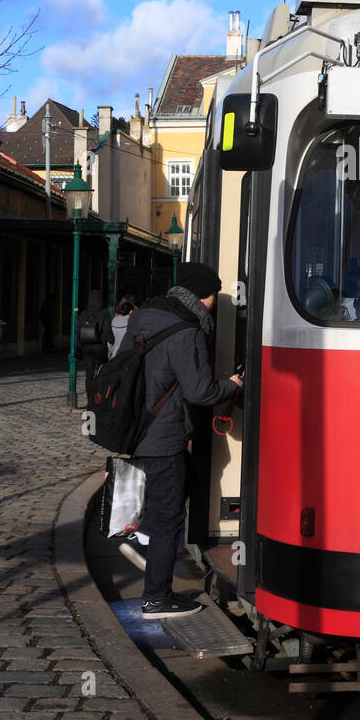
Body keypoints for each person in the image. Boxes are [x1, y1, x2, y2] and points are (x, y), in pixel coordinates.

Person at [121, 262, 241, 620]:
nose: (212, 305)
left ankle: (143, 538)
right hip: (164, 434)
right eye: (213, 297)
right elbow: (200, 391)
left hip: (139, 426)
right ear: (204, 295)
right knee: (171, 515)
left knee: (179, 485)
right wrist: (233, 385)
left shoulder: (145, 316)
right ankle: (156, 598)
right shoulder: (187, 331)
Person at [75, 289, 113, 407]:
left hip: (87, 348)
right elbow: (107, 332)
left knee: (89, 374)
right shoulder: (104, 313)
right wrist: (110, 340)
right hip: (100, 348)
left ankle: (90, 400)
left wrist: (78, 347)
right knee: (101, 373)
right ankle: (99, 399)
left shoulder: (84, 313)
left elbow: (77, 331)